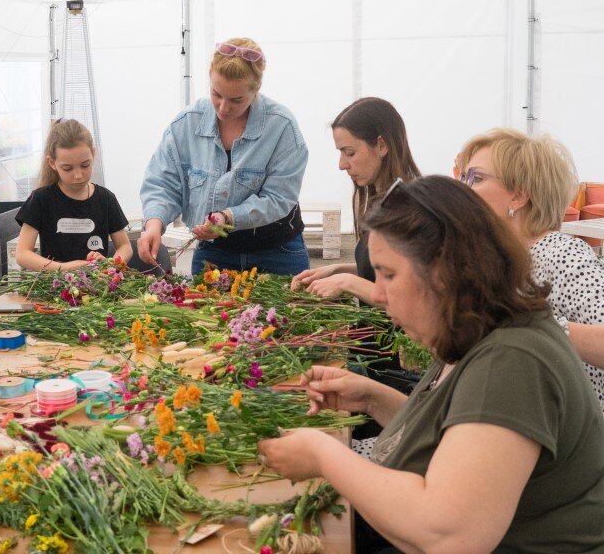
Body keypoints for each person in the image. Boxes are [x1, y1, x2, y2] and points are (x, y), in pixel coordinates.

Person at [258, 176, 604, 553]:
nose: (376, 293)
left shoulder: (512, 361)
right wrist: (373, 398)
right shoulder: (481, 332)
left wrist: (323, 455)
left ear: (445, 272)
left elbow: (448, 534)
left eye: (388, 274)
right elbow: (460, 441)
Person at [456, 128, 604, 410]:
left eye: (476, 178)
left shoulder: (563, 253)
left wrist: (526, 325)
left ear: (518, 196)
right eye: (463, 176)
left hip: (563, 440)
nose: (463, 187)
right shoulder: (499, 260)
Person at [138, 38, 309, 276]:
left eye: (237, 100)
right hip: (215, 252)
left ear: (256, 89)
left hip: (277, 252)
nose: (223, 108)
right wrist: (154, 224)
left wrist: (227, 217)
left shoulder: (281, 127)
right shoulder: (187, 123)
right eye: (216, 94)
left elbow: (280, 197)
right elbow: (163, 182)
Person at [291, 97, 421, 304]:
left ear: (381, 145)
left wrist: (347, 282)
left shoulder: (409, 209)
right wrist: (337, 270)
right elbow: (381, 273)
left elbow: (409, 299)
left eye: (349, 153)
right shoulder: (381, 200)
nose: (342, 164)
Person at [13, 119, 131, 271]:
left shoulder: (106, 199)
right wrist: (62, 268)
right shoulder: (41, 200)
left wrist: (111, 265)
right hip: (57, 288)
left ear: (93, 154)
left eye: (85, 165)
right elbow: (22, 254)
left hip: (98, 287)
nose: (78, 175)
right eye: (67, 168)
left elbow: (125, 246)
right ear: (52, 163)